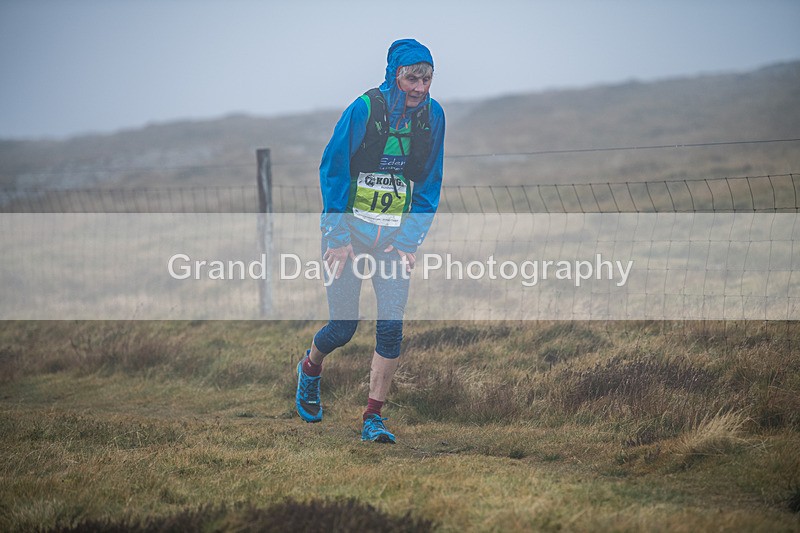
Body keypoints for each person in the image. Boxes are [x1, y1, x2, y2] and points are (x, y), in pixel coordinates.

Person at [295, 38, 445, 443]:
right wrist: (337, 236)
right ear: (394, 75)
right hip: (349, 238)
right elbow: (333, 170)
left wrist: (409, 240)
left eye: (427, 78)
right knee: (343, 327)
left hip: (393, 242)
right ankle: (310, 368)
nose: (419, 87)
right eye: (412, 77)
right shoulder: (364, 109)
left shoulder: (433, 116)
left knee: (391, 328)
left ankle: (372, 418)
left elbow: (430, 183)